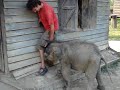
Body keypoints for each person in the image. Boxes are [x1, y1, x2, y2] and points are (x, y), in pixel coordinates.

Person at [26, 0, 59, 75]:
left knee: (39, 46)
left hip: (51, 30)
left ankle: (43, 67)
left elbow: (52, 26)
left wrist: (51, 37)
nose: (34, 12)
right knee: (50, 48)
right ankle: (52, 63)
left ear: (37, 5)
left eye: (34, 9)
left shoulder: (47, 11)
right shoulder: (40, 3)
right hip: (48, 29)